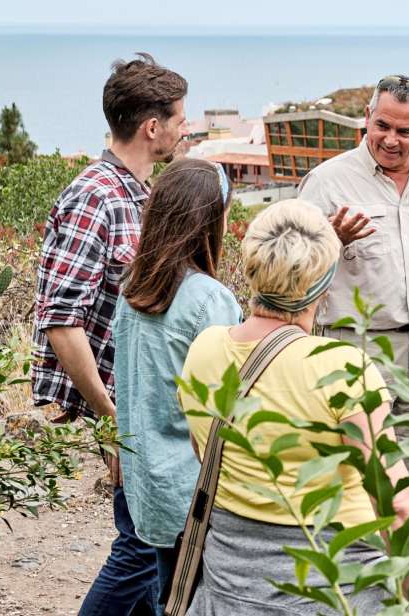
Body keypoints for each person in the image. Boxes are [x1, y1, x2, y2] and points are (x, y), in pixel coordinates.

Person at [178, 199, 409, 615]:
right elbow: (396, 501)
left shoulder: (205, 348)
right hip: (334, 588)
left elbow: (204, 450)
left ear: (250, 269)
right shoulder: (340, 367)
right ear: (323, 284)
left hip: (227, 589)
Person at [31, 52, 188, 616]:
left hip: (145, 405)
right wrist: (116, 421)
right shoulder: (94, 197)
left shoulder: (140, 196)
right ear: (153, 128)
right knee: (141, 548)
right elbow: (60, 320)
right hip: (125, 410)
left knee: (155, 543)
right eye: (179, 119)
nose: (185, 128)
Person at [298, 74, 409, 479]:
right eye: (383, 126)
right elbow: (292, 267)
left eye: (404, 131)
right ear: (367, 117)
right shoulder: (326, 182)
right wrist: (332, 239)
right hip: (355, 348)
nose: (391, 139)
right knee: (355, 475)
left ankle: (406, 545)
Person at [111, 158, 242, 603]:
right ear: (209, 222)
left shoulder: (133, 287)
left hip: (144, 477)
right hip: (192, 488)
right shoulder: (209, 299)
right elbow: (225, 404)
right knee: (187, 598)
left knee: (162, 589)